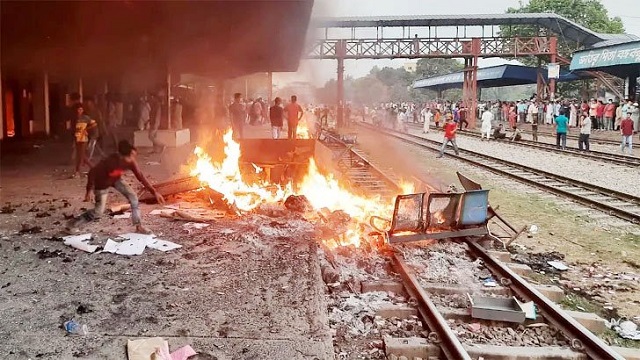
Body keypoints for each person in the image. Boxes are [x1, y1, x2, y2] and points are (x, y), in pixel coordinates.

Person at [67, 140, 165, 234]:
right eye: (131, 156)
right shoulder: (109, 161)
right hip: (102, 183)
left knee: (134, 198)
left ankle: (138, 226)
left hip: (116, 180)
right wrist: (89, 191)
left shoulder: (130, 161)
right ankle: (72, 224)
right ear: (122, 156)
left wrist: (154, 192)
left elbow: (140, 176)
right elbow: (92, 172)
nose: (134, 159)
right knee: (98, 212)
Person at [72, 104, 97, 178]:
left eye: (81, 109)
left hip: (84, 138)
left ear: (83, 110)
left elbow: (94, 124)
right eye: (78, 109)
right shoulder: (75, 118)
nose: (79, 111)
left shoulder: (86, 118)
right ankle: (93, 169)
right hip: (77, 138)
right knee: (79, 155)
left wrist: (87, 130)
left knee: (81, 155)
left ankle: (78, 172)